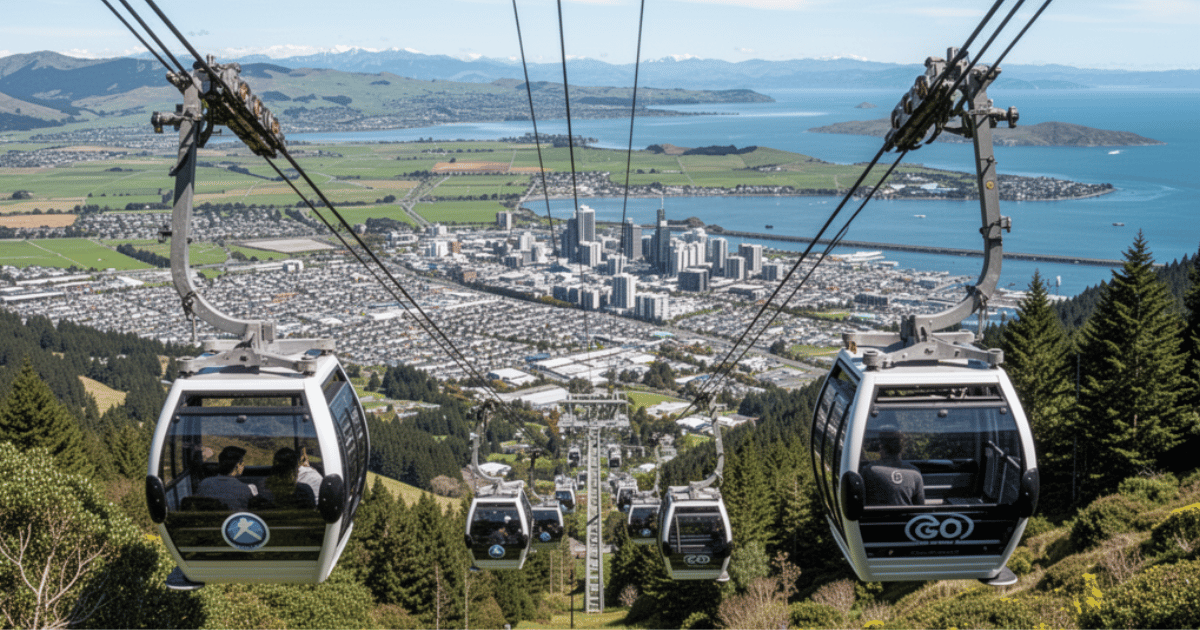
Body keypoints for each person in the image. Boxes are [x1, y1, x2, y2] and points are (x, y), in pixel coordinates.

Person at [861, 424, 926, 506]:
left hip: (877, 519)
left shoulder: (869, 471)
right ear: (901, 448)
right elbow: (920, 509)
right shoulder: (915, 473)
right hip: (907, 519)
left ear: (881, 445)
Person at [196, 446, 259, 511]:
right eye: (242, 462)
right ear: (237, 465)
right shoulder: (247, 489)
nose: (243, 465)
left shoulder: (204, 484)